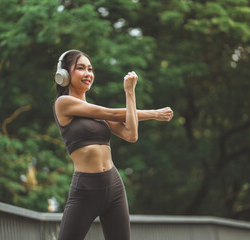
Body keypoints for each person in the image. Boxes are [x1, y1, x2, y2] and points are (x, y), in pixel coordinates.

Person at [53, 50, 173, 240]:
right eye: (81, 68)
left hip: (114, 186)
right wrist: (154, 113)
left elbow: (131, 134)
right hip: (86, 189)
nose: (88, 74)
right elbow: (112, 113)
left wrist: (130, 92)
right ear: (65, 74)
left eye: (90, 69)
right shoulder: (63, 103)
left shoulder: (97, 113)